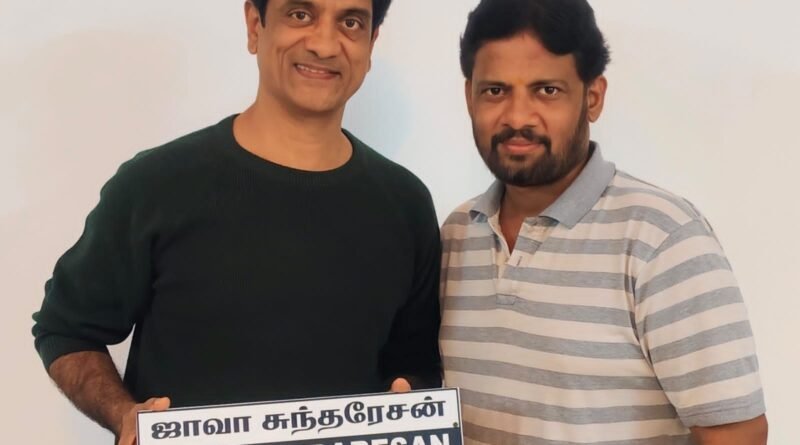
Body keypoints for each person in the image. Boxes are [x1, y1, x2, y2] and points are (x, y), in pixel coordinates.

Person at [31, 1, 442, 444]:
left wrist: (410, 401)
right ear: (254, 25)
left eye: (351, 22)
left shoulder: (406, 205)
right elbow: (67, 329)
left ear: (371, 43)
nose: (325, 44)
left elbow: (416, 362)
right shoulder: (156, 185)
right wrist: (124, 414)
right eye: (300, 14)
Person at [439, 0, 767, 443]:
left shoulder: (662, 238)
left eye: (546, 90)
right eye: (495, 91)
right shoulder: (458, 234)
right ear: (469, 97)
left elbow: (737, 433)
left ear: (592, 98)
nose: (517, 117)